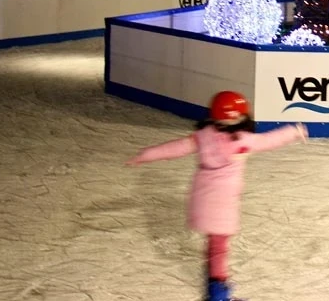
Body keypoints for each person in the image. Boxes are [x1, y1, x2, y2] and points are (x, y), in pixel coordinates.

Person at [127, 91, 307, 301]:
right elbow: (269, 140)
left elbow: (175, 148)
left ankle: (215, 285)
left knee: (214, 244)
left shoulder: (203, 137)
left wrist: (145, 155)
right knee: (219, 248)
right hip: (223, 204)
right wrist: (294, 131)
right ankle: (218, 294)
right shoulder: (242, 141)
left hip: (202, 199)